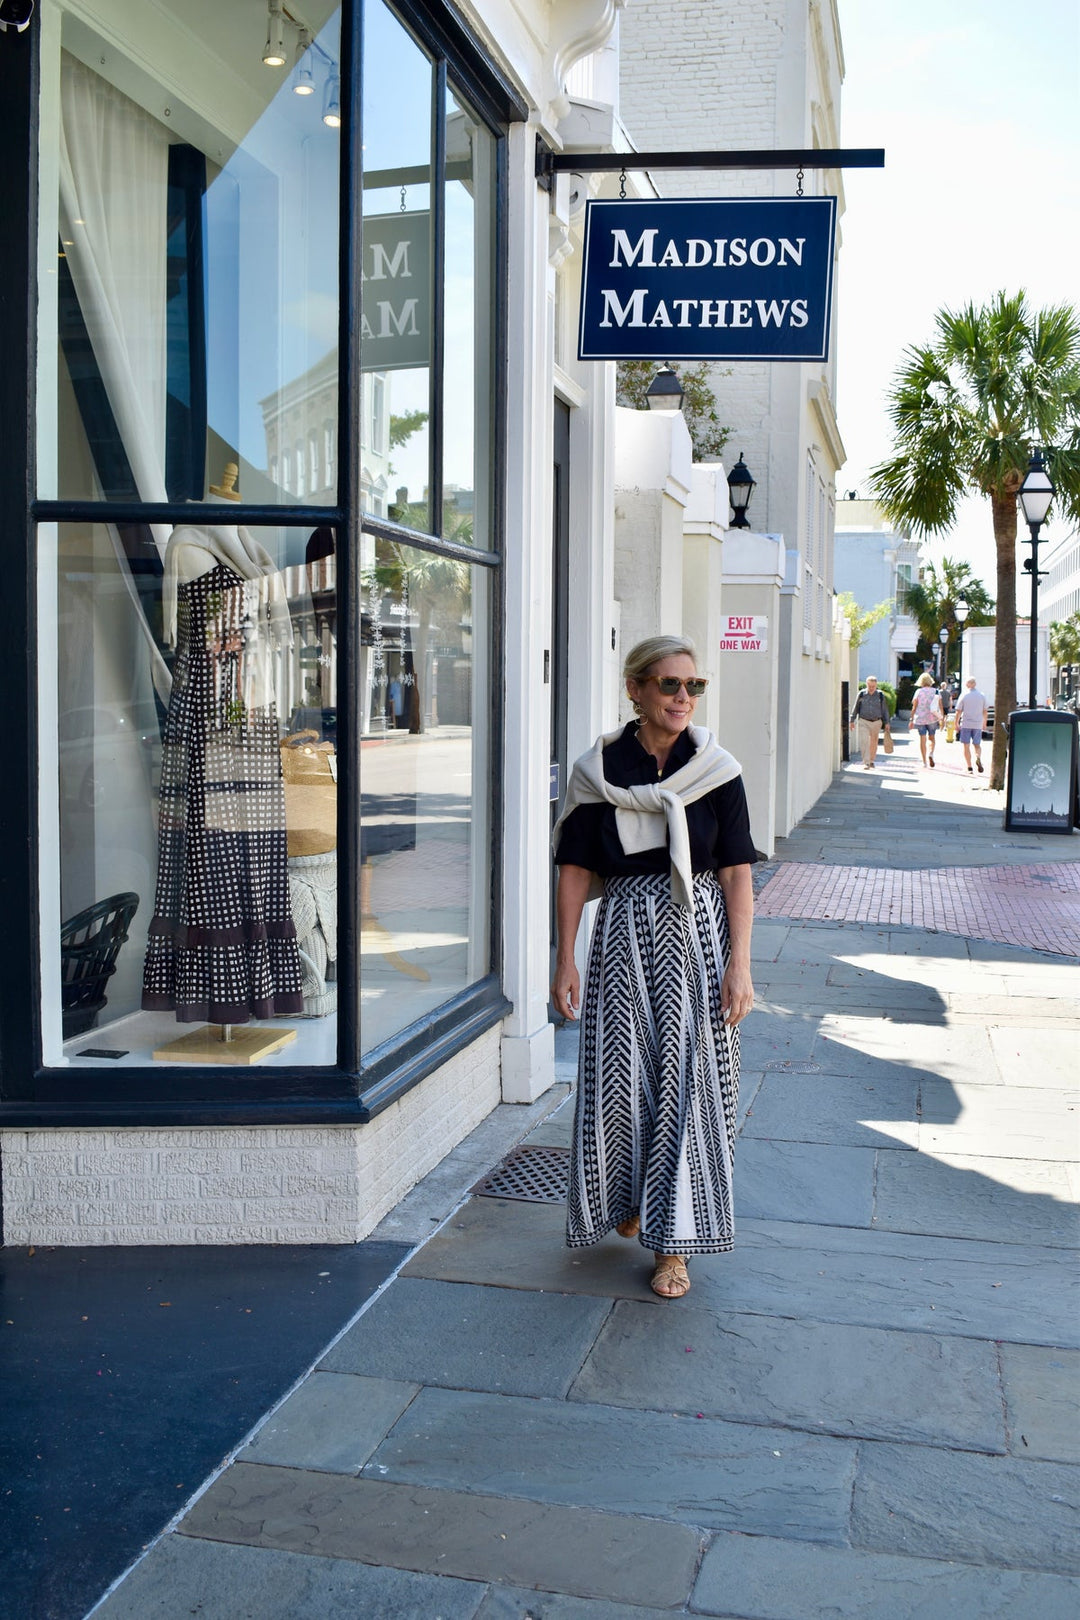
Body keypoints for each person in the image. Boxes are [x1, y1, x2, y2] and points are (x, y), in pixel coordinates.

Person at [551, 635, 755, 1301]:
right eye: (668, 685)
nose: (682, 698)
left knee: (691, 1086)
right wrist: (565, 957)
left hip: (696, 932)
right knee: (622, 1080)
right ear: (635, 689)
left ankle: (675, 1245)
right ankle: (632, 1199)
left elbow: (736, 871)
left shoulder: (716, 768)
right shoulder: (599, 771)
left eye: (693, 686)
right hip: (622, 937)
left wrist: (740, 965)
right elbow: (577, 867)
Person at [849, 675, 891, 769]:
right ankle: (866, 762)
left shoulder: (880, 695)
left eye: (873, 686)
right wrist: (852, 720)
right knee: (864, 741)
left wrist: (887, 722)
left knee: (874, 742)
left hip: (876, 722)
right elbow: (856, 707)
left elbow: (884, 710)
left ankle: (871, 760)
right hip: (863, 721)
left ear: (876, 685)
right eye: (870, 686)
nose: (872, 688)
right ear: (867, 684)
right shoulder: (861, 694)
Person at [954, 676, 988, 773]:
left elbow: (958, 711)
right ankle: (978, 757)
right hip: (977, 724)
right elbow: (985, 711)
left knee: (966, 745)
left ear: (967, 684)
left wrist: (956, 723)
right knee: (977, 745)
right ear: (975, 684)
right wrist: (984, 722)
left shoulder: (964, 695)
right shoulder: (982, 695)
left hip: (966, 723)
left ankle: (969, 767)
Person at [910, 672, 944, 767]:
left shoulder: (918, 692)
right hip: (932, 718)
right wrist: (942, 718)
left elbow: (914, 706)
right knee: (932, 738)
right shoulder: (936, 691)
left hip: (920, 718)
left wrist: (911, 719)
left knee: (922, 739)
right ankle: (931, 753)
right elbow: (940, 706)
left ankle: (924, 761)